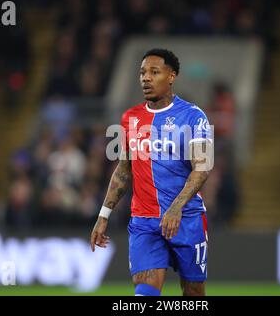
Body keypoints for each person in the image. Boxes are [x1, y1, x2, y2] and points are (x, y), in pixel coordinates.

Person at [90, 48, 213, 296]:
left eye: (154, 72)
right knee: (145, 294)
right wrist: (104, 215)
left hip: (186, 219)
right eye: (142, 73)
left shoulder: (193, 117)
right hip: (144, 222)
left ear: (171, 76)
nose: (146, 78)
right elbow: (124, 170)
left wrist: (176, 207)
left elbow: (202, 168)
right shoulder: (130, 119)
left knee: (194, 293)